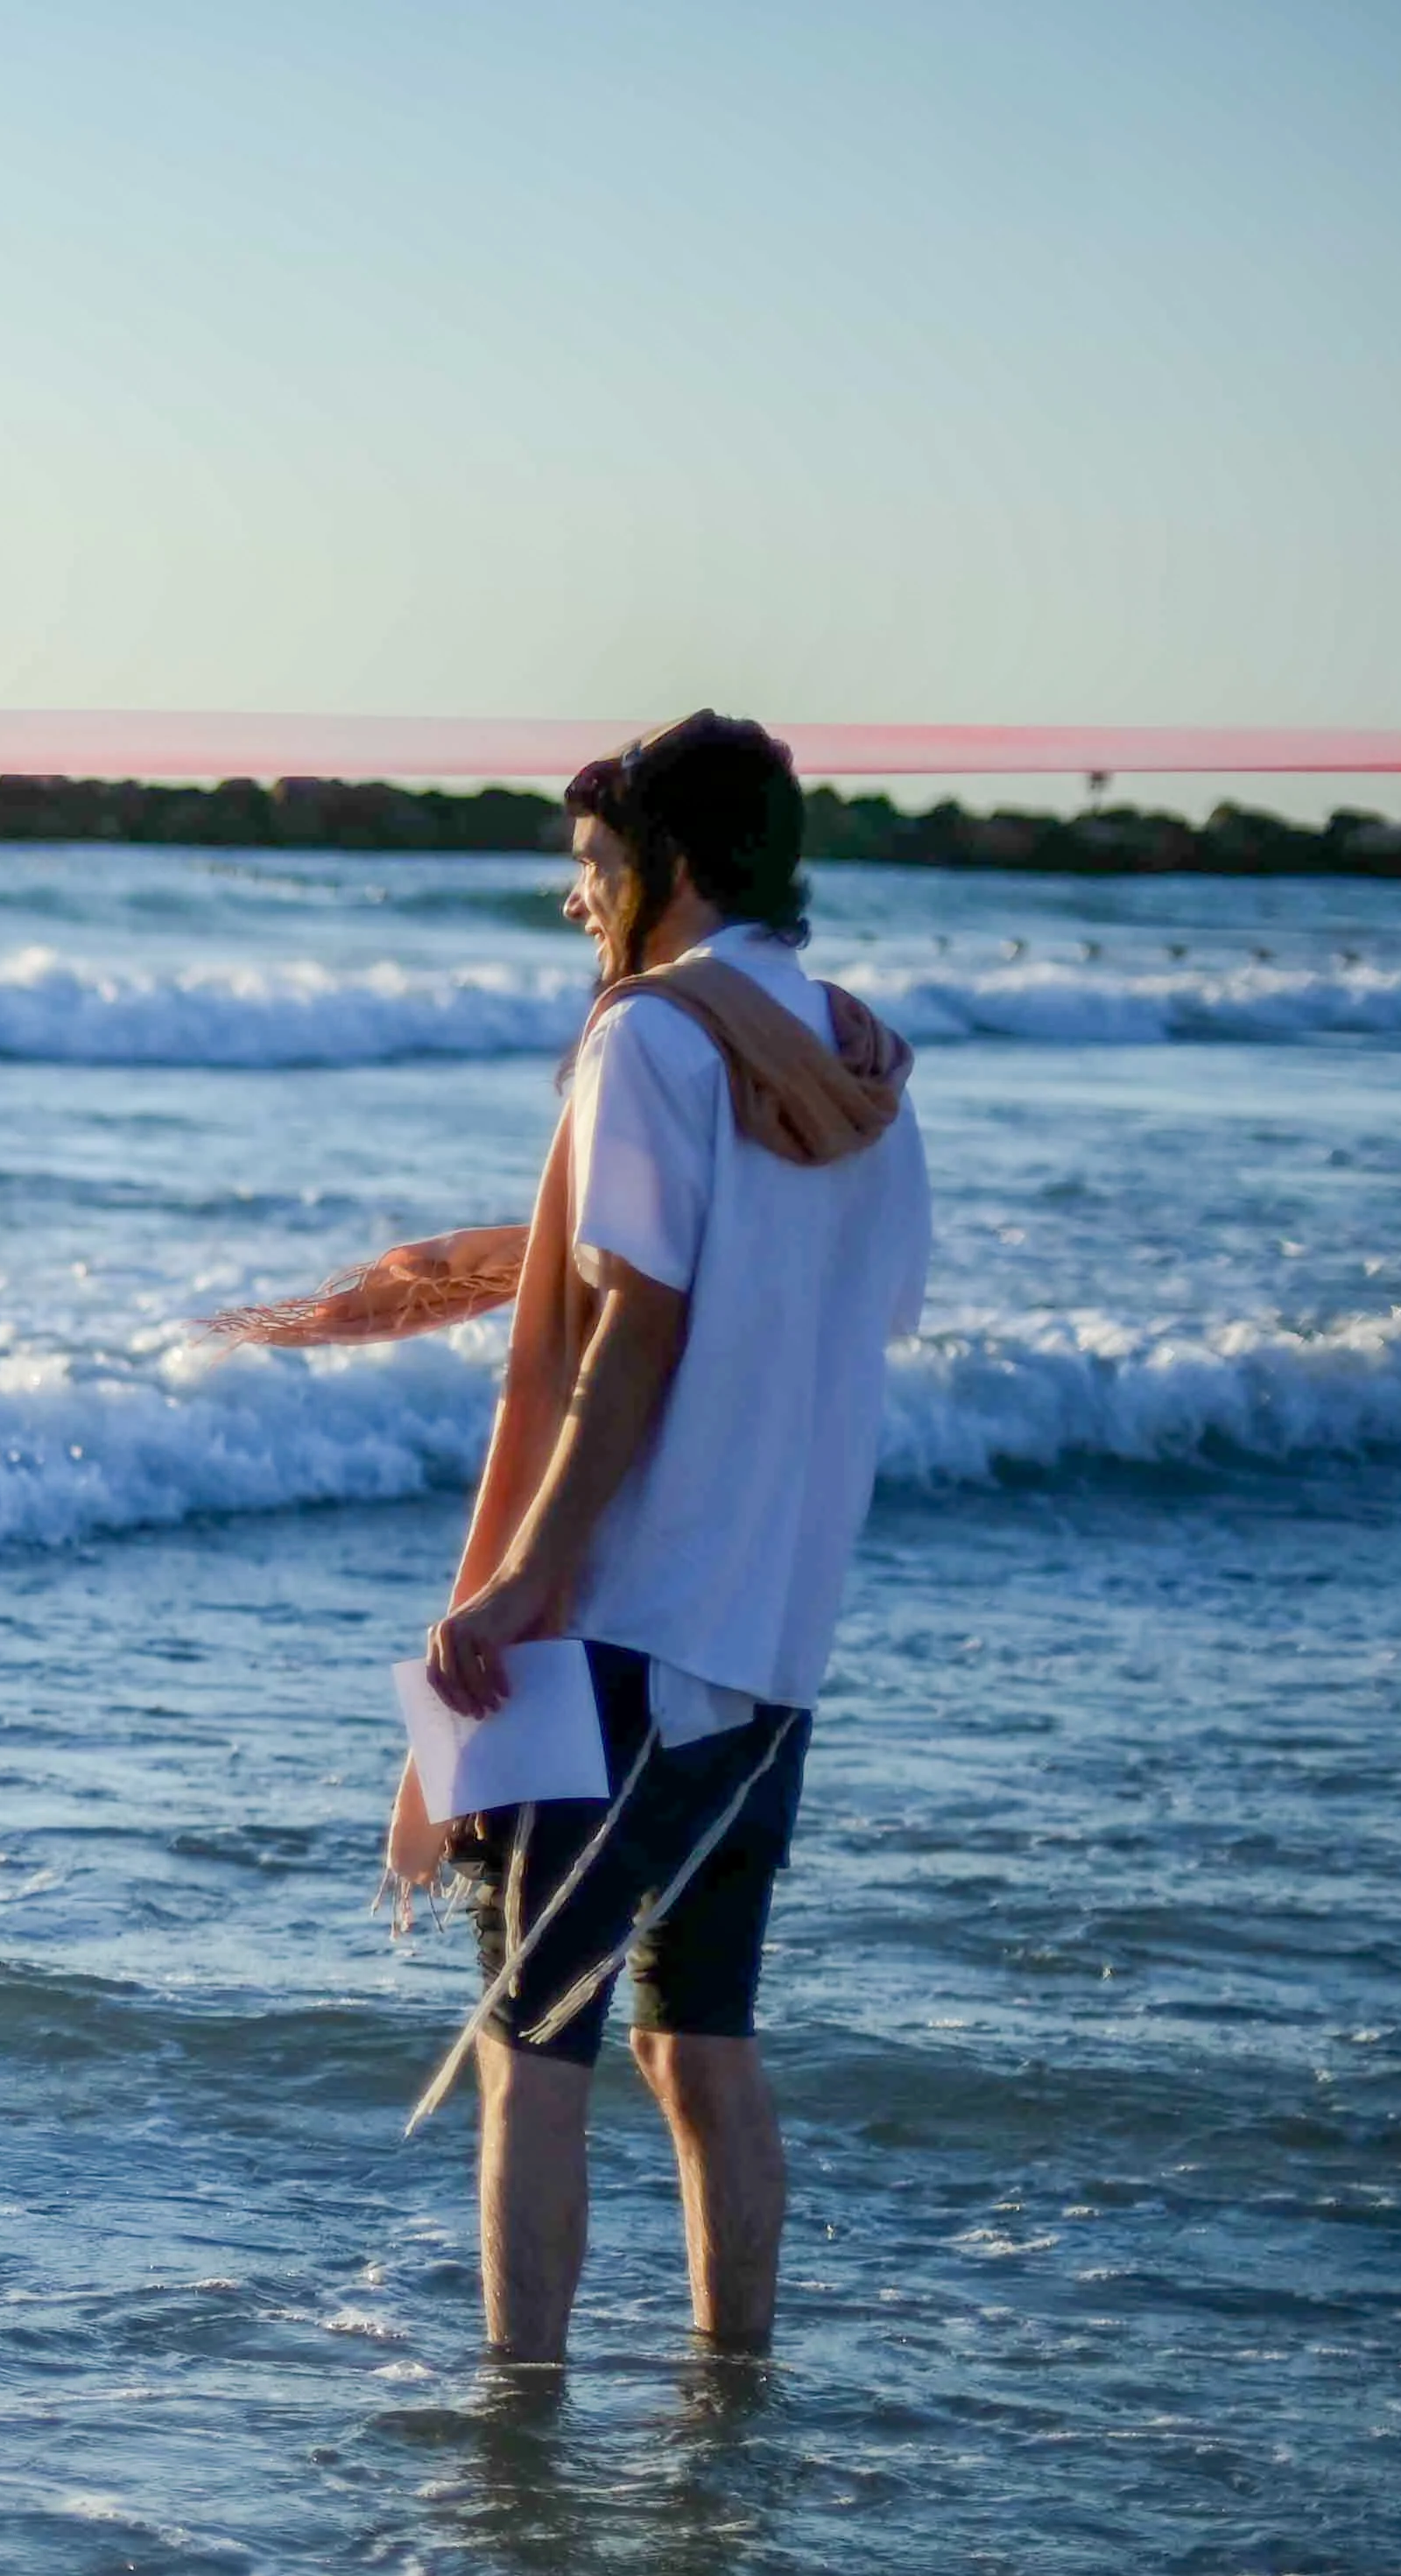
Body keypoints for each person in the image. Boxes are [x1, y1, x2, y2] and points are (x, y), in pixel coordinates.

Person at [210, 713, 933, 2368]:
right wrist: (498, 1259)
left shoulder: (648, 1041)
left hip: (623, 1626)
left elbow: (640, 1328)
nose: (580, 907)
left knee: (533, 2041)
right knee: (704, 2047)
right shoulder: (864, 1065)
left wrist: (529, 1576)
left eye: (598, 871)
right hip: (773, 1636)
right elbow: (826, 1301)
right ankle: (731, 2400)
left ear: (674, 869)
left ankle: (517, 2438)